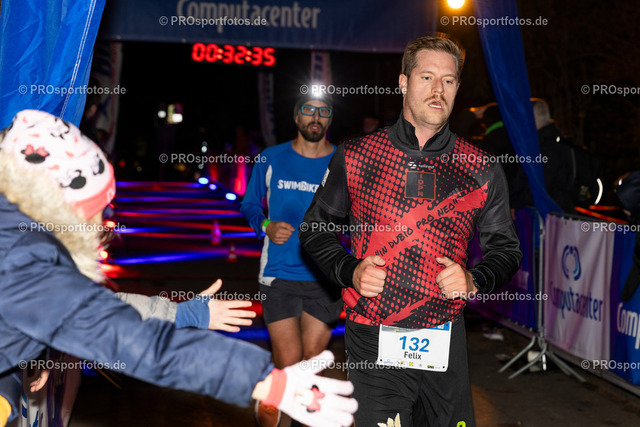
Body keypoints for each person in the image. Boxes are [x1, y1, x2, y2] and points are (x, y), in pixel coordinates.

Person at [0, 109, 357, 427]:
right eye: (95, 213)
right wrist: (269, 383)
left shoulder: (17, 239)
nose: (101, 228)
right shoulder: (24, 259)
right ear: (58, 207)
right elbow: (132, 341)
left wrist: (182, 313)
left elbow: (97, 308)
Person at [300, 36, 522, 426]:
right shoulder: (358, 156)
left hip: (444, 337)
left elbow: (506, 249)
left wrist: (474, 279)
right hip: (374, 335)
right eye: (427, 77)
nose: (438, 90)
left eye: (448, 81)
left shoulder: (481, 167)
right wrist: (350, 270)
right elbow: (314, 229)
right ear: (403, 83)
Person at [241, 95, 341, 426]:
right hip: (279, 274)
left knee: (311, 364)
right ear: (296, 117)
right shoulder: (271, 158)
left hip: (325, 277)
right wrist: (266, 226)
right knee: (288, 364)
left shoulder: (342, 161)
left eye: (324, 111)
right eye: (308, 110)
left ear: (330, 119)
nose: (316, 117)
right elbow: (249, 205)